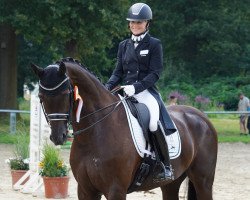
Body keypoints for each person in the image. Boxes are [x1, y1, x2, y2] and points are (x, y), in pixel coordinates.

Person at [105, 3, 173, 181]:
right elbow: (117, 72)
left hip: (145, 91)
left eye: (139, 22)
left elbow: (155, 73)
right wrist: (105, 88)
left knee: (152, 123)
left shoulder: (154, 44)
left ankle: (164, 165)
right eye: (132, 22)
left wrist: (136, 87)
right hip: (124, 90)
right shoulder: (123, 45)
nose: (135, 25)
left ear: (147, 24)